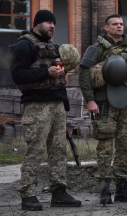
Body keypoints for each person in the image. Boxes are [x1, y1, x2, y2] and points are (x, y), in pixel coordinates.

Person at [10, 10, 81, 211]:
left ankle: (59, 192)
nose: (52, 26)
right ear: (38, 23)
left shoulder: (54, 48)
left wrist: (65, 106)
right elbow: (17, 75)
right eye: (48, 22)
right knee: (36, 150)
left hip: (57, 105)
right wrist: (45, 72)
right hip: (36, 105)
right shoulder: (24, 45)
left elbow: (60, 81)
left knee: (59, 150)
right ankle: (28, 194)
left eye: (54, 23)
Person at [78, 14, 127, 204]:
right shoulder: (95, 50)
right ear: (106, 28)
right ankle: (104, 191)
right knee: (105, 147)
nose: (119, 27)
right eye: (114, 24)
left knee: (125, 147)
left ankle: (122, 190)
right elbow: (84, 74)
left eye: (121, 24)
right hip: (104, 104)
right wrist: (90, 100)